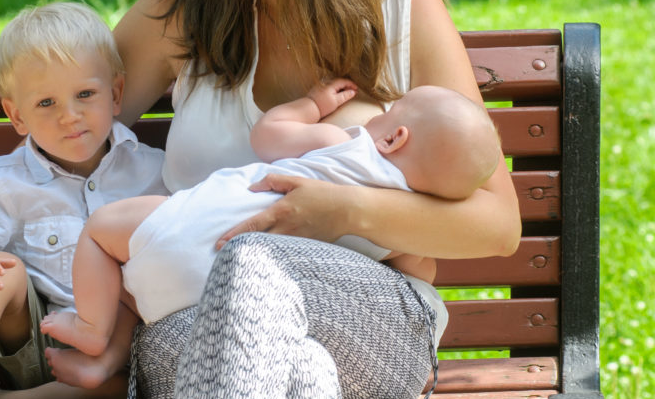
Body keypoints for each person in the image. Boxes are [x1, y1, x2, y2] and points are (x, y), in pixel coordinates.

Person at [109, 0, 521, 399]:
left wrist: (343, 209)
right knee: (302, 373)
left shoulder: (400, 10)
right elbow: (66, 136)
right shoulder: (183, 14)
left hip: (373, 317)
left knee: (254, 262)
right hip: (186, 316)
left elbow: (497, 225)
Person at [39, 81, 500, 357]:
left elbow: (268, 136)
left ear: (395, 137)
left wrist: (313, 104)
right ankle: (104, 350)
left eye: (392, 109)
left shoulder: (348, 145)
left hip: (185, 235)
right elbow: (420, 274)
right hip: (207, 306)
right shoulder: (400, 231)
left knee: (101, 230)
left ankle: (93, 329)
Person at [0, 1, 167, 399]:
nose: (70, 115)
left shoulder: (156, 172)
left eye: (86, 94)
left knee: (130, 385)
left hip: (116, 361)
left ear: (115, 93)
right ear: (17, 115)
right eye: (46, 103)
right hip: (31, 346)